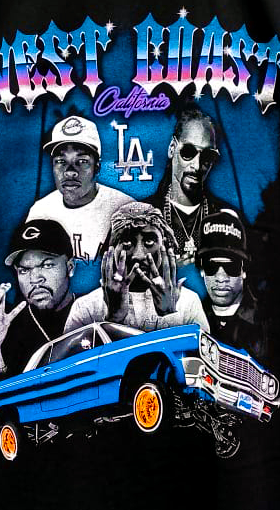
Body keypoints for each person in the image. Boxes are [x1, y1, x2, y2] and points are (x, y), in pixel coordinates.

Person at [64, 201, 209, 333]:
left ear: (164, 245)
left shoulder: (188, 303)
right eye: (127, 243)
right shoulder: (86, 308)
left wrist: (169, 315)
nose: (139, 255)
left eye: (149, 241)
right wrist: (113, 318)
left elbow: (201, 352)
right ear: (112, 249)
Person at [0, 219, 76, 374]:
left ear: (70, 267)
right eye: (24, 270)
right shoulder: (3, 329)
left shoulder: (94, 309)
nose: (35, 279)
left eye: (47, 265)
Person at [27, 114, 133, 263]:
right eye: (61, 161)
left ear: (97, 167)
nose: (70, 171)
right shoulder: (40, 211)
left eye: (82, 161)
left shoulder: (124, 209)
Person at [145, 105, 238, 267]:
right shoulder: (142, 217)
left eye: (207, 156)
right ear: (172, 148)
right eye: (188, 152)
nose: (196, 165)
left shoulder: (228, 220)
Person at [196, 209, 267, 360]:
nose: (221, 277)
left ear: (244, 270)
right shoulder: (190, 318)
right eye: (211, 266)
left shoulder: (267, 322)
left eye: (231, 266)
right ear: (201, 269)